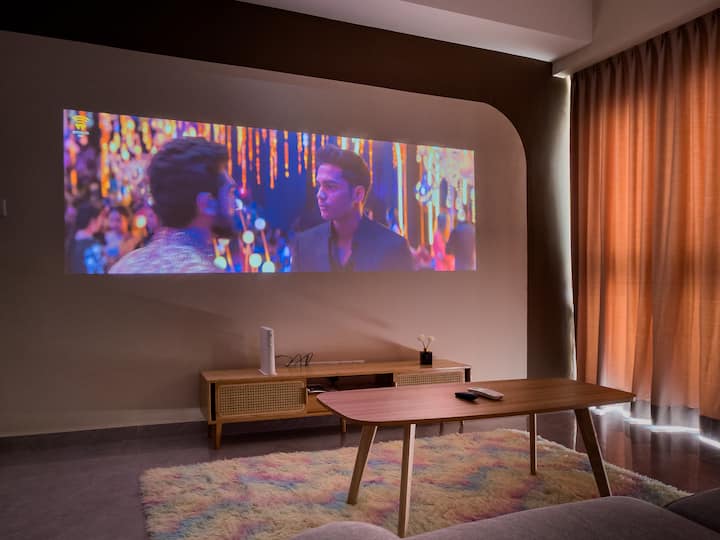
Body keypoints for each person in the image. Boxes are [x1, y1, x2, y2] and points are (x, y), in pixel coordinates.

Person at [109, 137, 239, 274]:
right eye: (230, 193)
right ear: (207, 204)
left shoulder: (124, 266)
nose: (236, 204)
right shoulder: (207, 276)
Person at [291, 145, 413, 272]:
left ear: (358, 194)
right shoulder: (304, 245)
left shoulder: (393, 248)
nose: (320, 195)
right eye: (319, 185)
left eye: (330, 186)